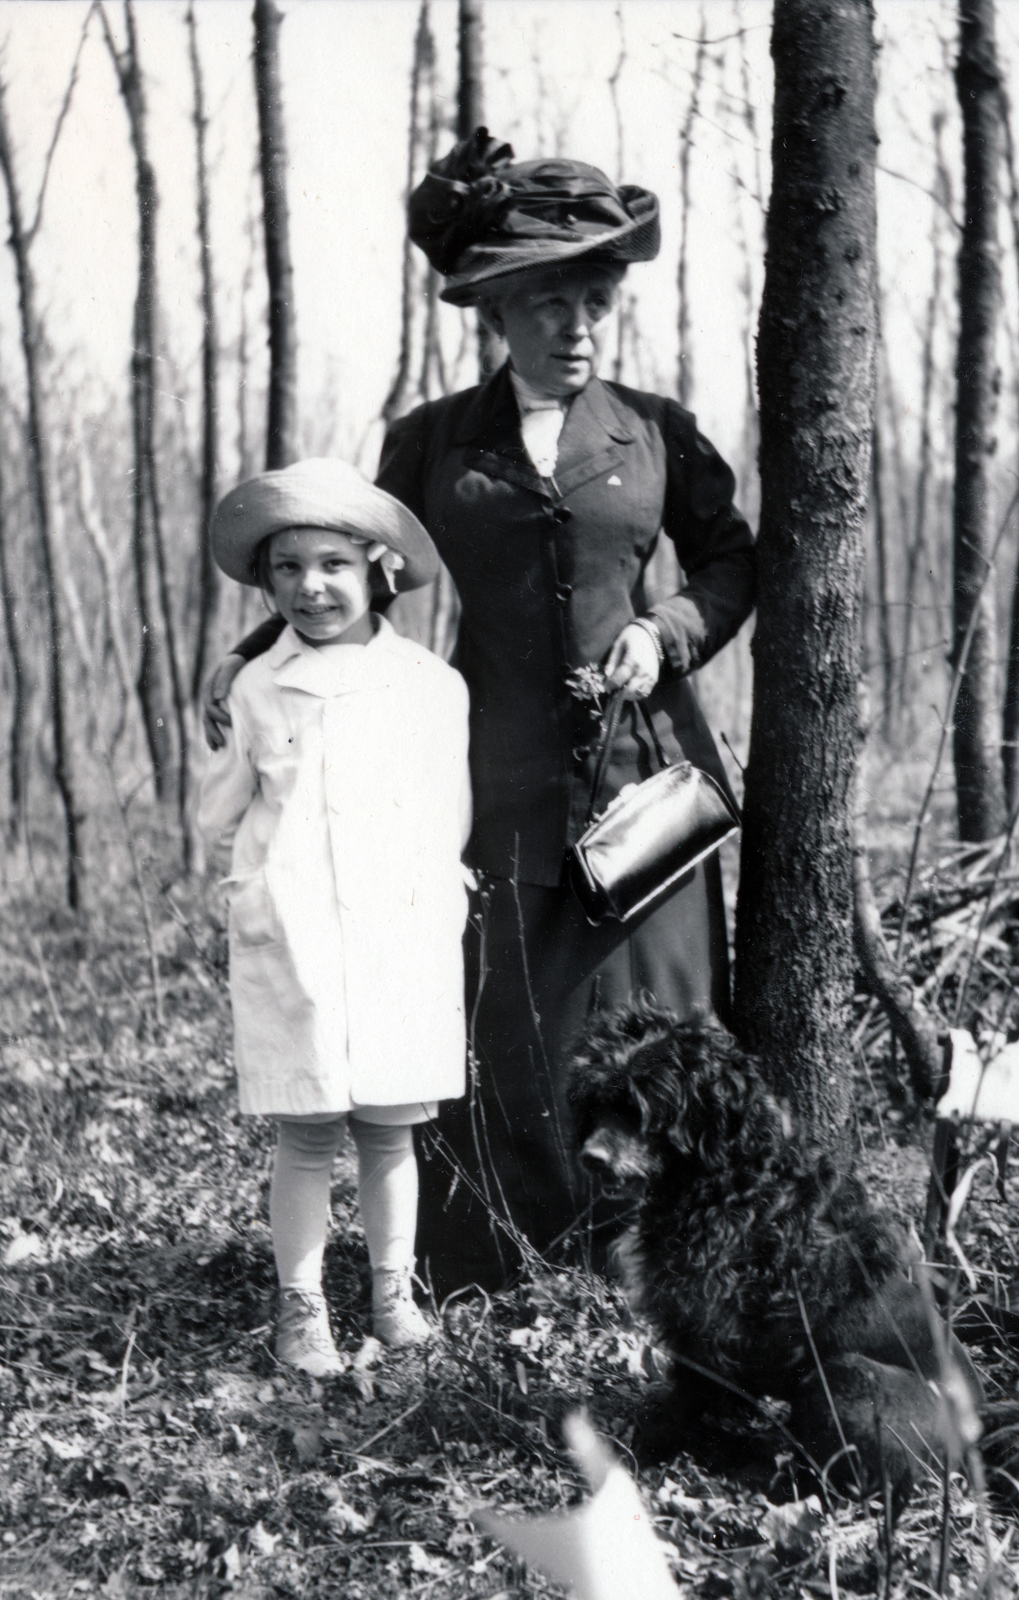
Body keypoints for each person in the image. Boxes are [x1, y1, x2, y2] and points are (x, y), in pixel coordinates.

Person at [206, 132, 756, 1298]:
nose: (577, 326)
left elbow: (730, 560)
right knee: (509, 1020)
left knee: (666, 1022)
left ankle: (661, 1265)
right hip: (486, 775)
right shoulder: (434, 440)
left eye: (594, 302)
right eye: (549, 303)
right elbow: (341, 564)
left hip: (648, 781)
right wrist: (252, 647)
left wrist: (666, 634)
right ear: (497, 311)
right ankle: (504, 1262)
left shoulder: (654, 430)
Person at [198, 457, 471, 1375]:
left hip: (397, 928)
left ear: (378, 568)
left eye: (332, 565)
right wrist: (259, 886)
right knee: (309, 1128)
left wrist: (430, 894)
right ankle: (301, 1305)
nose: (310, 587)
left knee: (391, 1125)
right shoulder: (256, 687)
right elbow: (218, 811)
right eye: (286, 569)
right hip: (298, 928)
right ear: (267, 583)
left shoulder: (430, 684)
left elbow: (448, 811)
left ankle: (393, 1292)